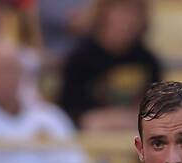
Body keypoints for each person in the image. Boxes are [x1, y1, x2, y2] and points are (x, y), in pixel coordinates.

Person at [58, 0, 161, 132]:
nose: (125, 21)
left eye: (132, 13)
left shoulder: (148, 61)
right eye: (119, 12)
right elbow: (67, 113)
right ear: (103, 15)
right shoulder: (80, 59)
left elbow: (155, 111)